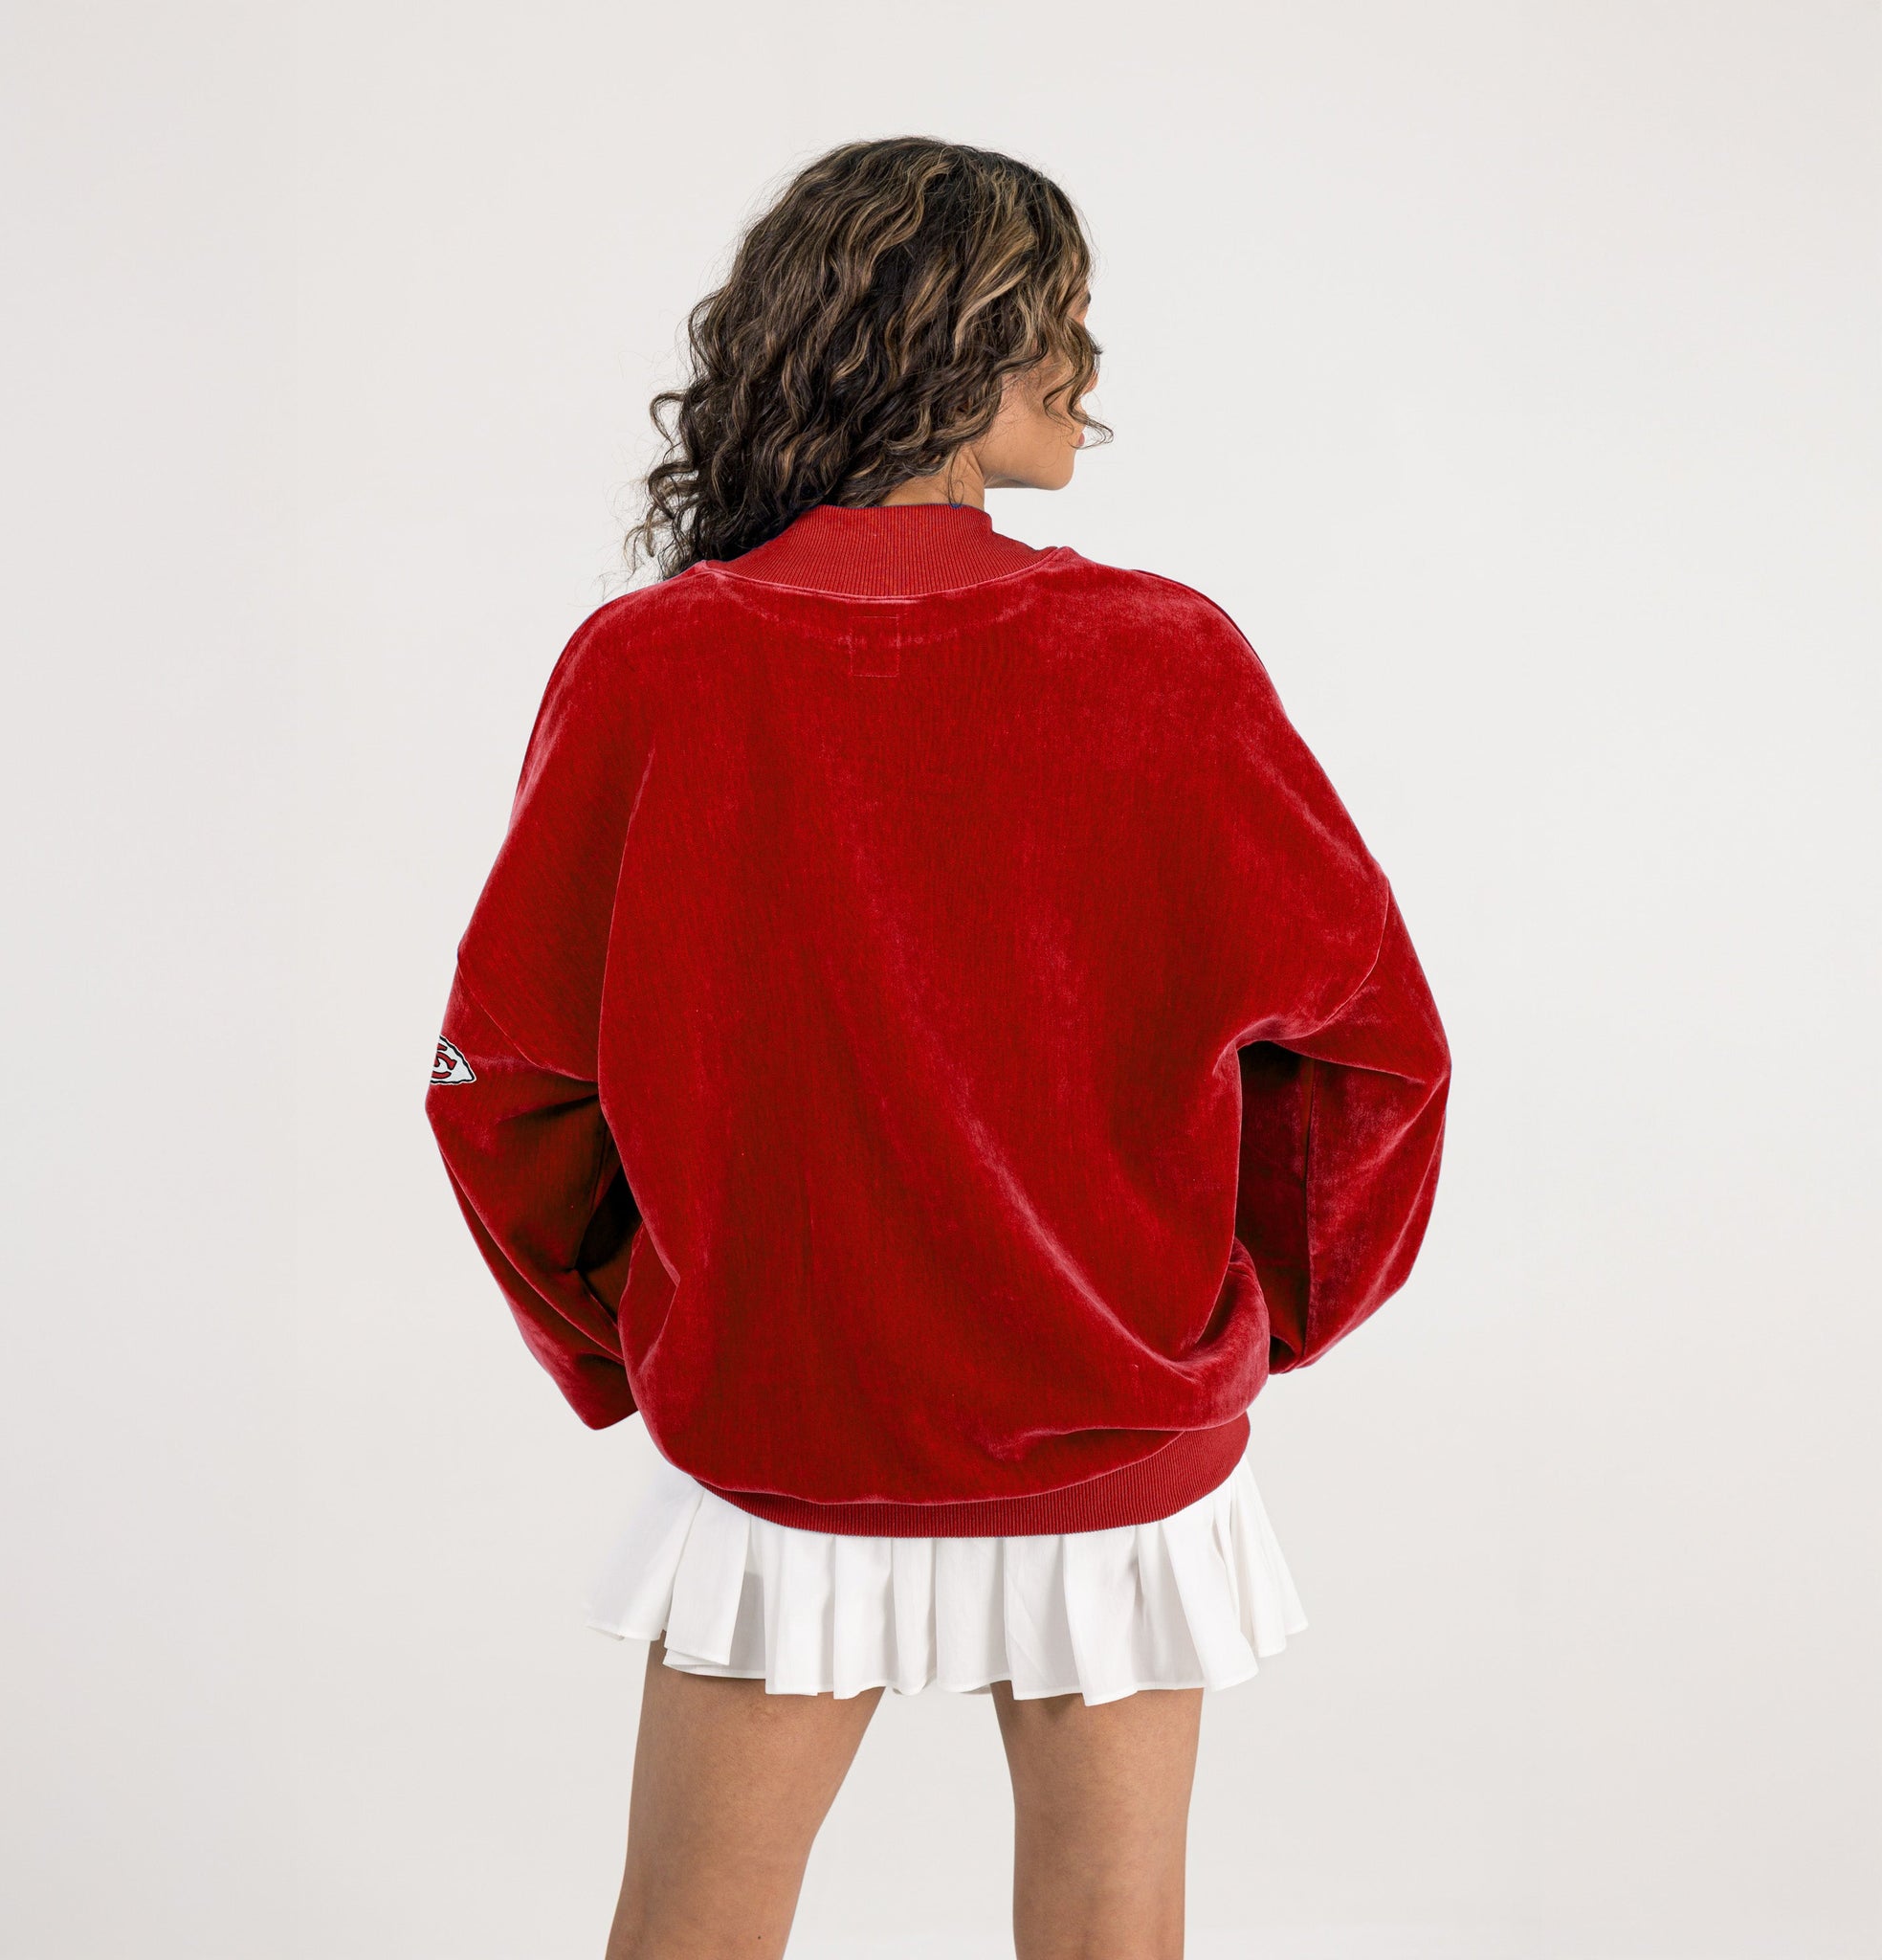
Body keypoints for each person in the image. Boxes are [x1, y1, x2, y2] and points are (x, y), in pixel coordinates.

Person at [424, 136, 1451, 1960]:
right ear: (955, 346)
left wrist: (651, 1323)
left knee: (690, 1931)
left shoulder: (652, 664)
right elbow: (1371, 1055)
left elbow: (507, 1085)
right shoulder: (1164, 655)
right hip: (1117, 1421)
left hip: (784, 1425)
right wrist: (1250, 1313)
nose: (1088, 368)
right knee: (1112, 1930)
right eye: (1059, 322)